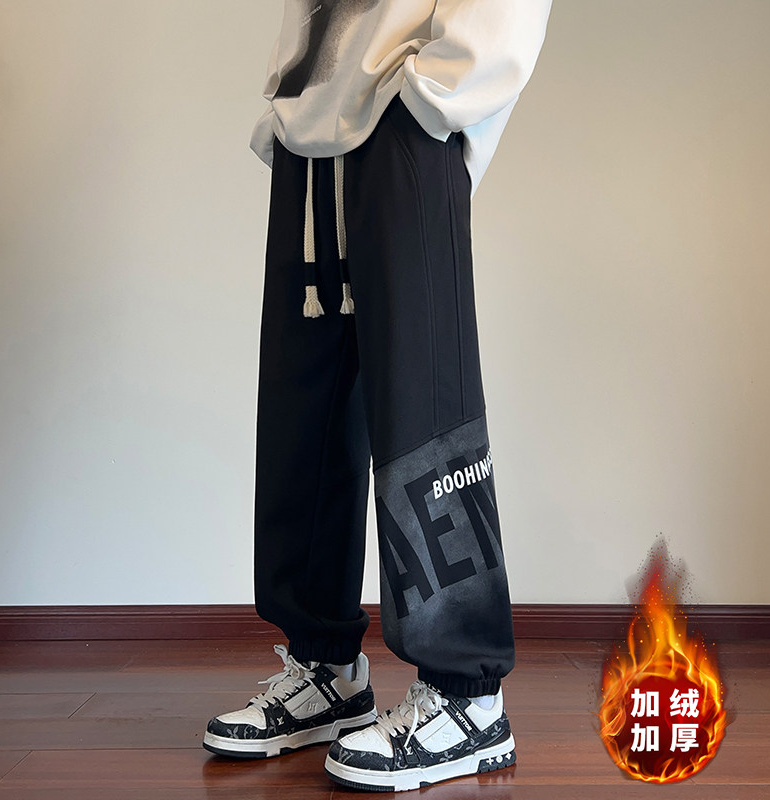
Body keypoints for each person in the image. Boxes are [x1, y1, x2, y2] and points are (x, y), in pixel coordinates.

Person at [203, 0, 552, 791]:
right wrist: (293, 93)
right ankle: (325, 664)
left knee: (424, 401)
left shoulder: (418, 106)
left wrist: (440, 89)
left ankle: (467, 695)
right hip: (315, 118)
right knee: (303, 405)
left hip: (405, 106)